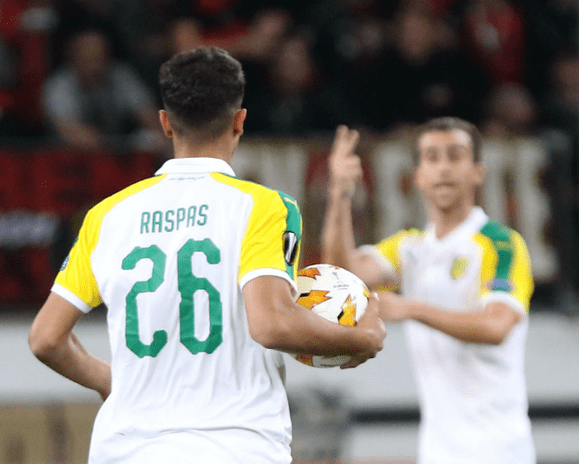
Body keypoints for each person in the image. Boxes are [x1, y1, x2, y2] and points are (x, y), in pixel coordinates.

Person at [29, 47, 385, 464]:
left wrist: (111, 383)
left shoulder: (106, 216)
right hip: (233, 446)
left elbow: (46, 338)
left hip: (125, 448)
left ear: (165, 122)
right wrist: (359, 339)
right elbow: (272, 324)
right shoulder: (263, 206)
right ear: (240, 120)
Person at [322, 118, 535, 464]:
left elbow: (497, 327)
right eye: (432, 157)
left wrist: (410, 308)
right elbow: (340, 277)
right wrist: (339, 193)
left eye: (455, 156)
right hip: (436, 451)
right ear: (418, 175)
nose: (444, 168)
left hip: (497, 450)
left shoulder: (500, 243)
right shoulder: (410, 248)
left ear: (478, 172)